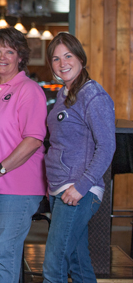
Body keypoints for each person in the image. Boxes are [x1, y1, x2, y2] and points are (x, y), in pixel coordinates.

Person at [0, 28, 47, 282]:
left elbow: (34, 140)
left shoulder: (29, 90)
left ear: (20, 57)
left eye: (9, 51)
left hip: (18, 185)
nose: (2, 56)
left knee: (6, 249)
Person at [42, 33, 115, 282]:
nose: (62, 63)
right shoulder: (64, 94)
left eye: (68, 56)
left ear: (81, 58)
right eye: (56, 58)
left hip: (78, 191)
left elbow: (106, 146)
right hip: (60, 189)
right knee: (78, 262)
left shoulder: (93, 95)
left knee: (53, 265)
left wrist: (81, 187)